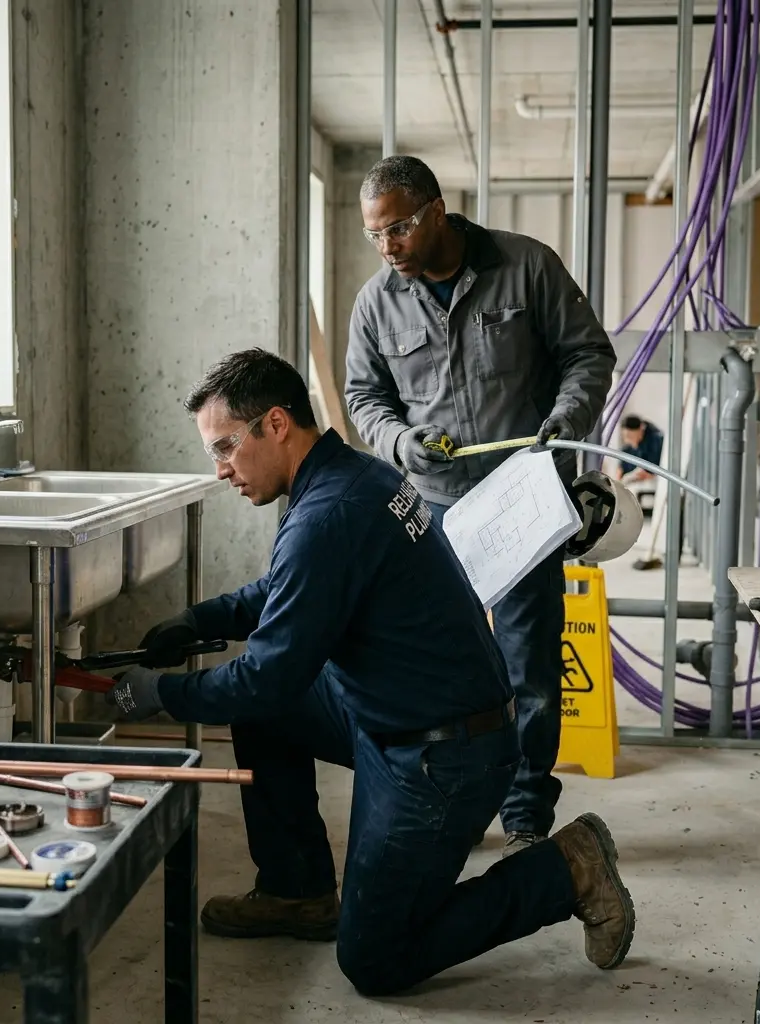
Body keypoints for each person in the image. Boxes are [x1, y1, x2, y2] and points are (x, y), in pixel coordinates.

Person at [104, 348, 635, 997]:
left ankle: (566, 870)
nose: (220, 471)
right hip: (404, 712)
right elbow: (288, 589)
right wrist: (197, 619)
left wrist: (160, 695)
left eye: (225, 447)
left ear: (276, 424)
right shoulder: (355, 477)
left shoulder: (328, 515)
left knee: (376, 958)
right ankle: (296, 892)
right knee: (268, 717)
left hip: (441, 758)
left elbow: (268, 676)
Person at [344, 155, 617, 857]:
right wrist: (401, 441)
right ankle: (455, 802)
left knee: (527, 659)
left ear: (437, 210)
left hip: (522, 498)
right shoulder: (378, 302)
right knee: (440, 663)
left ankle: (526, 811)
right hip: (433, 511)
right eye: (375, 235)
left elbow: (588, 355)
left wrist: (568, 415)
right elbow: (364, 397)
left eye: (398, 228)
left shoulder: (525, 267)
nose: (388, 247)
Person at [617, 414, 664, 481]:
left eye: (630, 436)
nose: (627, 440)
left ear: (641, 429)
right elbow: (620, 472)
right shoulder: (627, 449)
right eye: (625, 437)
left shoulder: (655, 441)